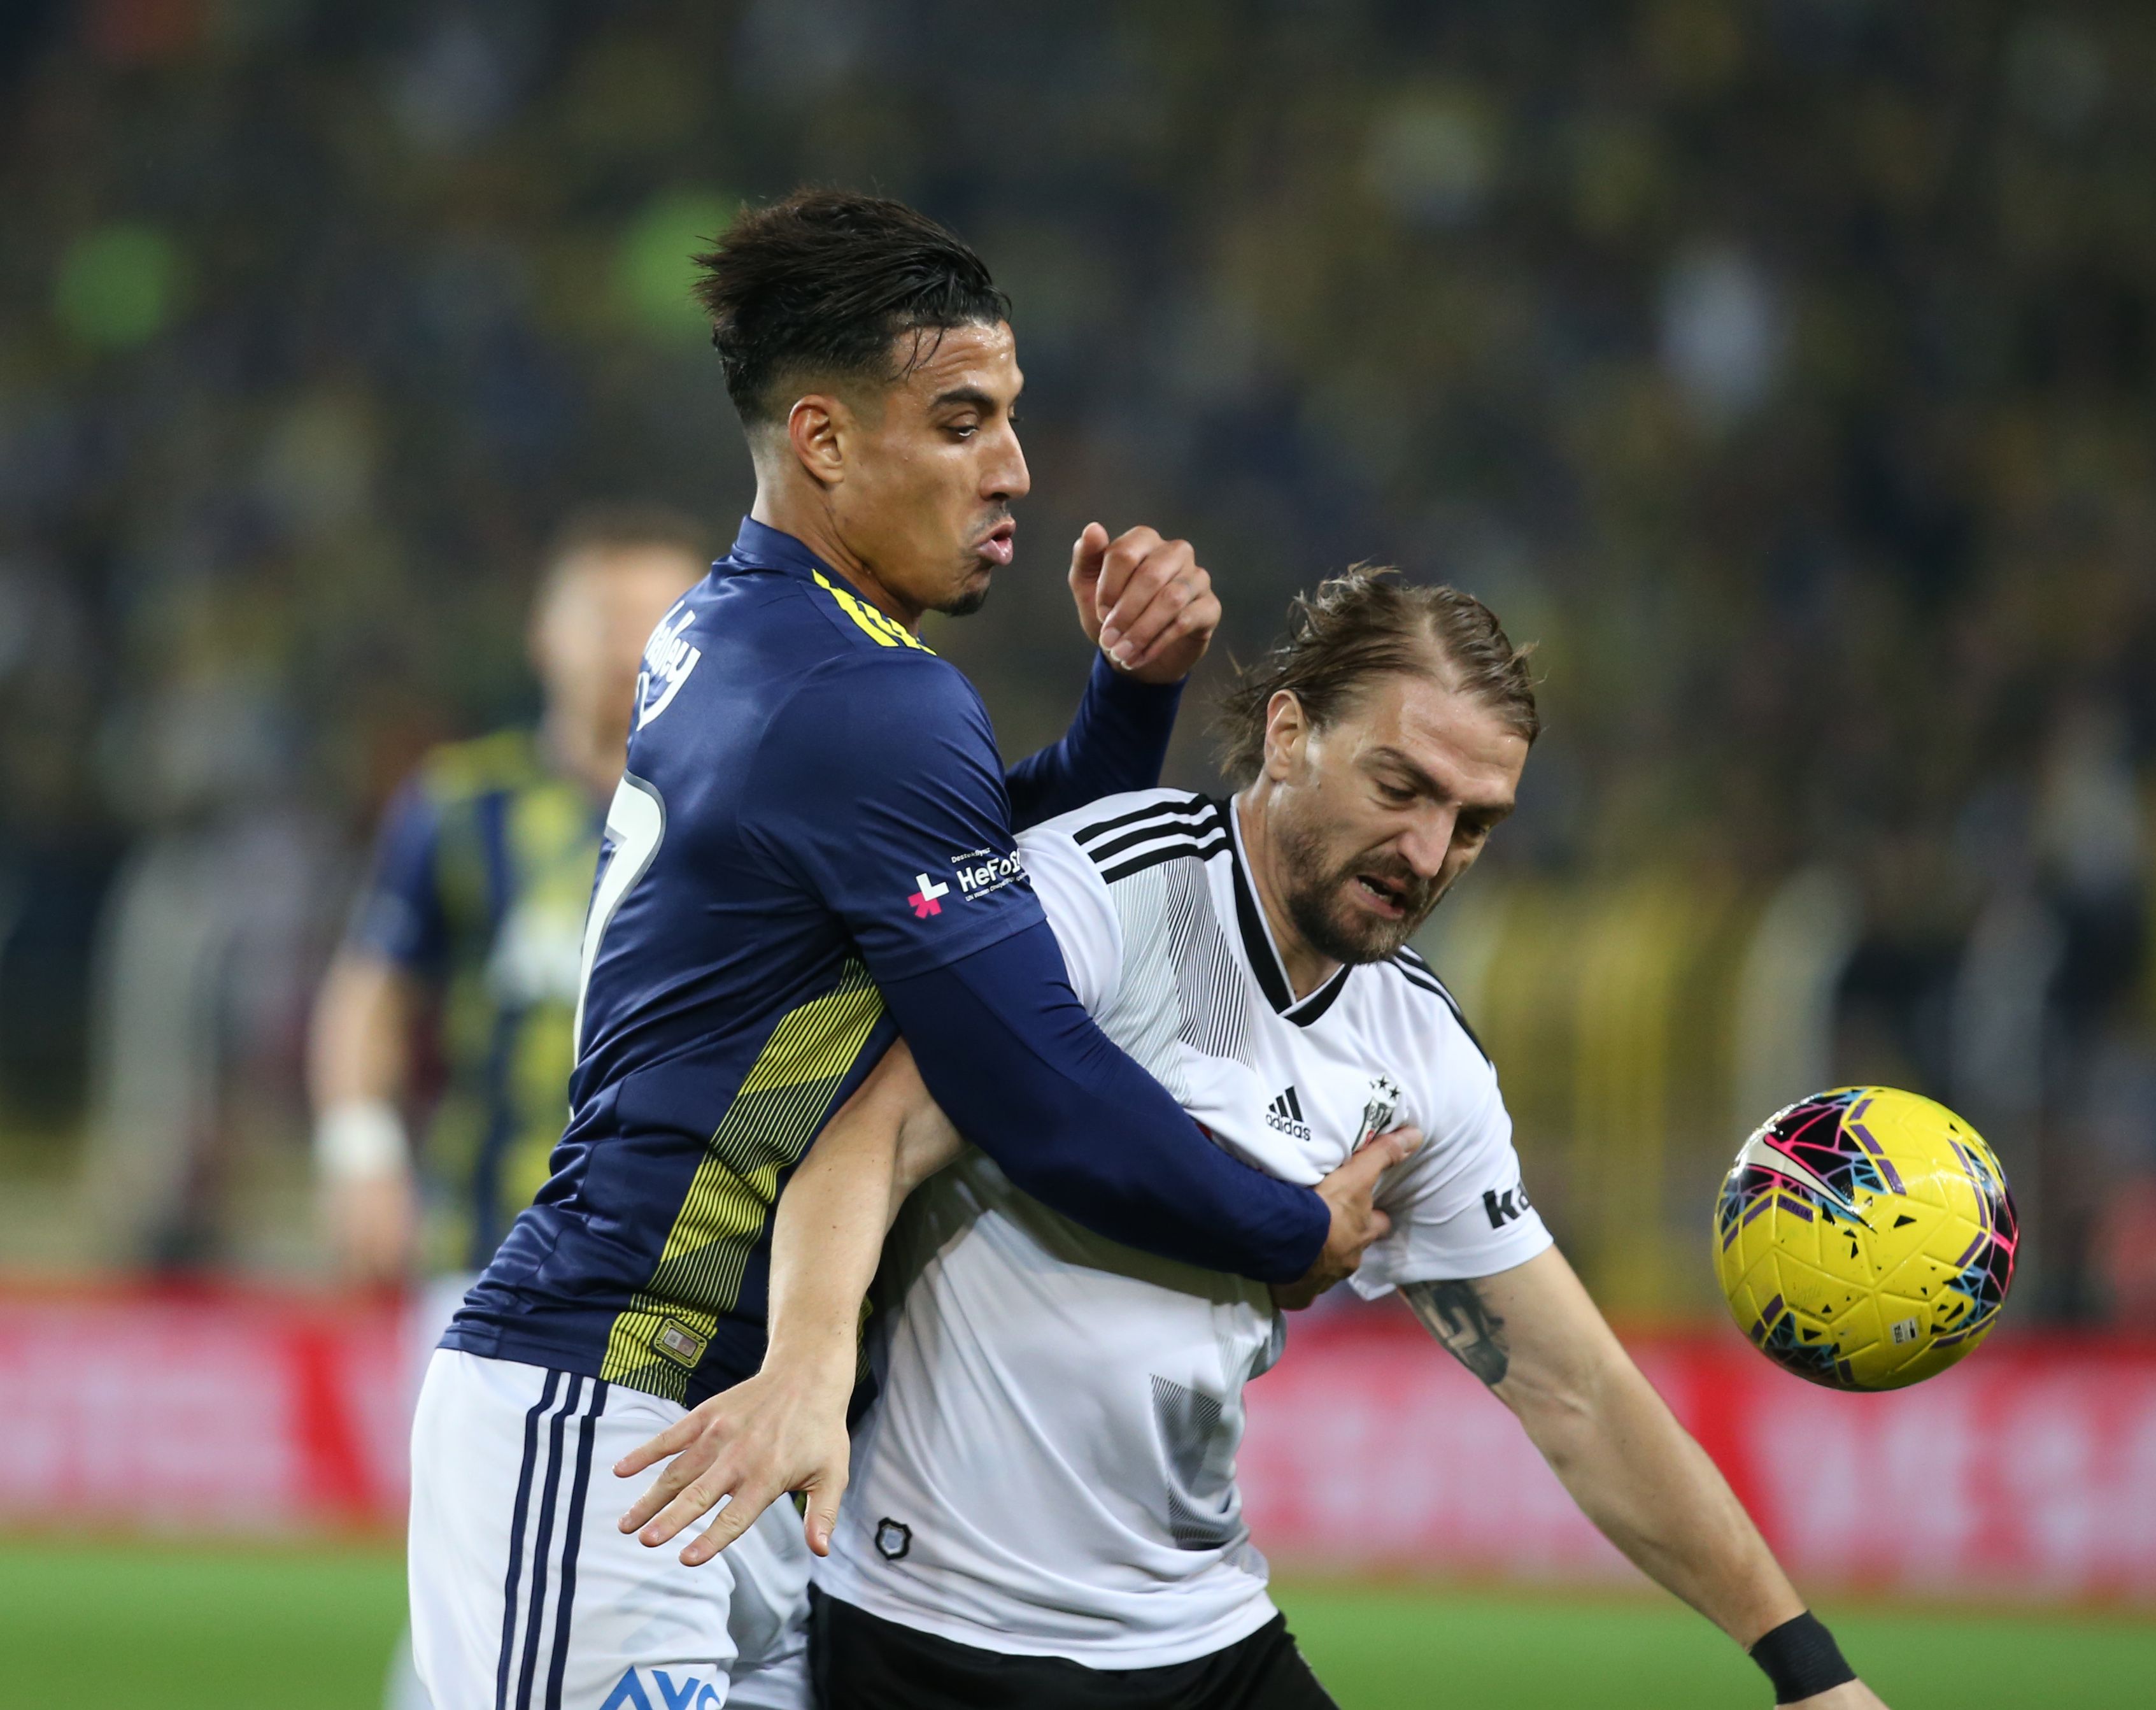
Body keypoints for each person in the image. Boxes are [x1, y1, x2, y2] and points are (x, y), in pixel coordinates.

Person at [406, 190, 1403, 1710]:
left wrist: (1123, 706)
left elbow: (958, 887)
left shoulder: (745, 635)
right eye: (961, 420)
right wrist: (1287, 1230)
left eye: (1011, 416)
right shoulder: (868, 695)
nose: (1012, 466)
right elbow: (1035, 1081)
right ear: (822, 439)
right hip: (611, 1409)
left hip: (744, 1425)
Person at [634, 569, 1888, 1709]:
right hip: (940, 1633)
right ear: (1288, 732)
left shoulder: (1424, 1056)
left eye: (1472, 820)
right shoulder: (1101, 889)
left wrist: (1806, 1666)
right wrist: (805, 1361)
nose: (1427, 853)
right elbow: (876, 1133)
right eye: (1399, 787)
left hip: (1204, 1635)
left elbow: (1577, 1389)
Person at [311, 507, 704, 1710]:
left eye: (656, 616)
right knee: (485, 1572)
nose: (624, 643)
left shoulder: (728, 812)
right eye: (599, 613)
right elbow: (370, 991)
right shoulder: (463, 803)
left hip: (679, 1274)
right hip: (485, 1255)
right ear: (543, 633)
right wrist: (362, 1148)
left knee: (614, 1584)